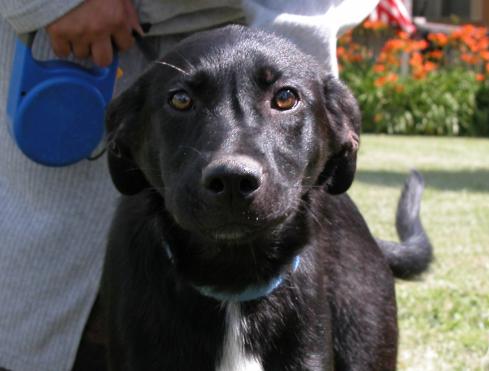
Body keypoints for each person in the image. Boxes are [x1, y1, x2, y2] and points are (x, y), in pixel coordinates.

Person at [0, 1, 379, 370]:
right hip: (81, 52)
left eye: (283, 99)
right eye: (182, 101)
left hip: (276, 24)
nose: (233, 164)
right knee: (62, 325)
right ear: (123, 146)